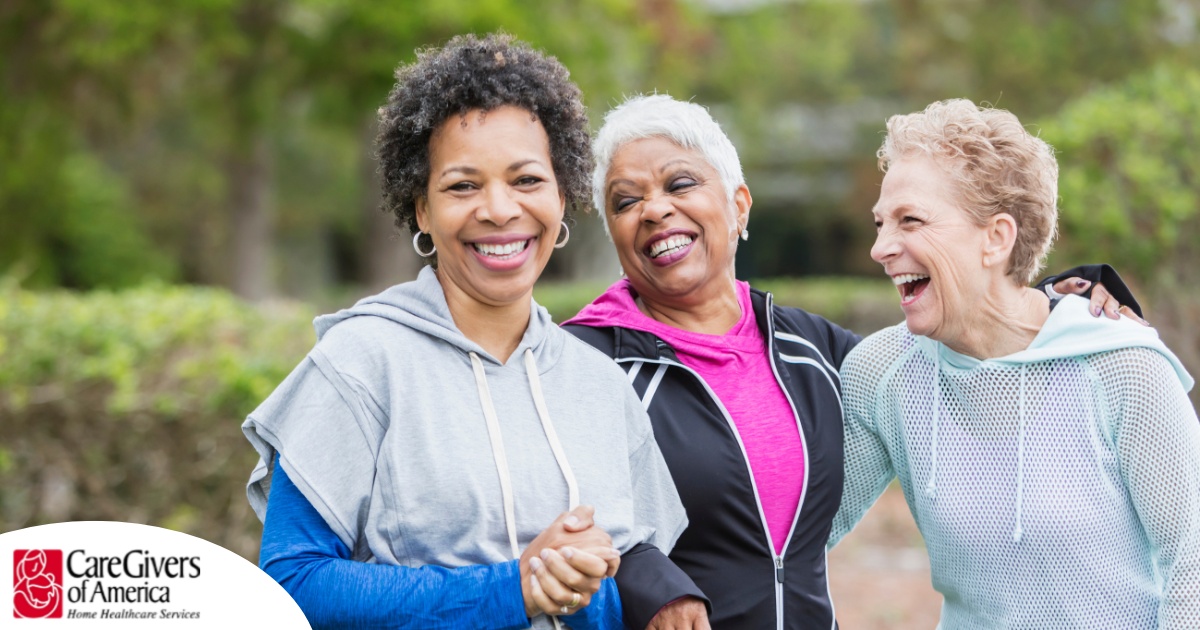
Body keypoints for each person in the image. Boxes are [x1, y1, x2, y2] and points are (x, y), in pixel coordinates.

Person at [562, 94, 1134, 629]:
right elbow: (540, 509)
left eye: (679, 183)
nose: (654, 209)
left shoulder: (810, 348)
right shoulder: (580, 361)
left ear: (739, 206)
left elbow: (962, 349)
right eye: (626, 200)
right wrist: (645, 579)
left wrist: (1060, 302)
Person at [241, 34, 687, 630]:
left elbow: (632, 556)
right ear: (422, 210)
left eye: (527, 180)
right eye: (462, 185)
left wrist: (661, 596)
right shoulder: (361, 362)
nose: (499, 210)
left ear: (563, 196)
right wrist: (514, 588)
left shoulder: (600, 385)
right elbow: (291, 582)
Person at [831, 99, 1200, 628]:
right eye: (880, 223)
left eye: (910, 220)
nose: (880, 247)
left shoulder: (1125, 370)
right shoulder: (882, 373)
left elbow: (1193, 570)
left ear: (997, 238)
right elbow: (793, 535)